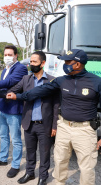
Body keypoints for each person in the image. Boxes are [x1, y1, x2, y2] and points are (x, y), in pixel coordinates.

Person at [6, 49, 99, 185]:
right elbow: (37, 92)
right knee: (60, 162)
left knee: (86, 169)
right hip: (64, 128)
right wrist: (18, 96)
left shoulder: (96, 82)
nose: (65, 64)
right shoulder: (61, 81)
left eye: (68, 62)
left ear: (78, 64)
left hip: (85, 130)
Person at [7, 51, 59, 185]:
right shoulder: (26, 79)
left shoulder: (52, 81)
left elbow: (56, 106)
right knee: (30, 151)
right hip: (29, 123)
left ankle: (43, 176)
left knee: (45, 153)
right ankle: (29, 173)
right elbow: (12, 90)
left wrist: (54, 126)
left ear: (43, 63)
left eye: (34, 62)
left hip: (45, 125)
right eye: (30, 62)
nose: (31, 64)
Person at [0, 45, 28, 178]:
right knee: (3, 136)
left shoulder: (21, 68)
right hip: (2, 108)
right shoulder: (5, 70)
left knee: (15, 139)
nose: (7, 57)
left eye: (10, 54)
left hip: (14, 109)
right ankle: (3, 158)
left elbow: (10, 82)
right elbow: (2, 89)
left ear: (16, 56)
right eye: (5, 55)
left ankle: (15, 165)